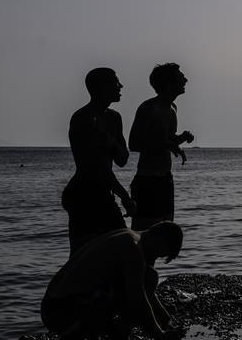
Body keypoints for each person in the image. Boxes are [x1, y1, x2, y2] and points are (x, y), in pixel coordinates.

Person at [41, 222, 185, 340]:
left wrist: (163, 315)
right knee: (150, 277)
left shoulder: (128, 235)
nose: (155, 258)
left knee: (146, 277)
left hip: (50, 305)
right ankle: (100, 333)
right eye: (160, 253)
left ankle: (100, 329)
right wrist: (160, 335)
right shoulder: (134, 250)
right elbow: (138, 298)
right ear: (160, 240)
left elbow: (138, 286)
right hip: (60, 314)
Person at [63, 68, 137, 253]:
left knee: (122, 248)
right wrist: (125, 196)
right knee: (83, 254)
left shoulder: (114, 118)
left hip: (103, 192)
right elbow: (94, 168)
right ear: (101, 87)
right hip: (83, 195)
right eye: (115, 83)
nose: (120, 86)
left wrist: (110, 141)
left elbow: (122, 159)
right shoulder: (82, 118)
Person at [129, 63, 194, 230]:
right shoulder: (149, 108)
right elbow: (134, 144)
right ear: (169, 83)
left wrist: (181, 139)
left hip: (166, 180)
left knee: (164, 234)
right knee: (144, 234)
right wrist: (169, 144)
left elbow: (166, 141)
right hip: (148, 180)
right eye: (181, 77)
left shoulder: (173, 108)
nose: (186, 79)